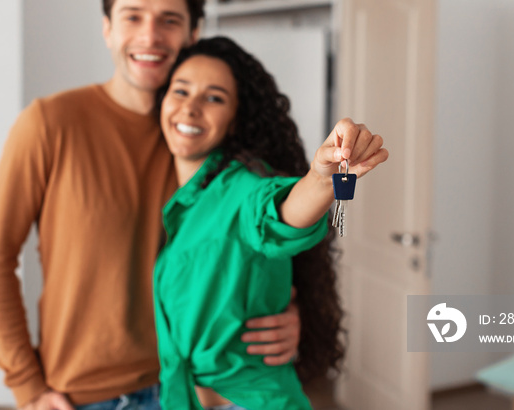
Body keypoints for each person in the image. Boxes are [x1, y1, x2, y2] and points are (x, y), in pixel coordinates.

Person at [0, 0, 303, 410]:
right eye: (132, 17)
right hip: (83, 396)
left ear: (193, 33)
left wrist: (288, 310)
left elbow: (253, 240)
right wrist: (27, 387)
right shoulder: (50, 123)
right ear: (107, 28)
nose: (150, 35)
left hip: (188, 390)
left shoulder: (202, 138)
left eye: (169, 20)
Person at [153, 37, 388, 409]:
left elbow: (278, 213)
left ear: (235, 121)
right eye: (180, 91)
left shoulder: (243, 189)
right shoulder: (180, 201)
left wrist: (321, 179)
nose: (191, 108)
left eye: (214, 97)